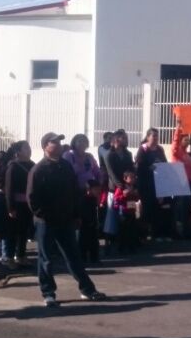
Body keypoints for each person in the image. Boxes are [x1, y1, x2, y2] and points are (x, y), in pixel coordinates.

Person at [28, 132, 107, 308]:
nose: (57, 145)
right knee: (46, 259)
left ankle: (87, 289)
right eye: (53, 142)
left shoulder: (65, 166)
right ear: (45, 146)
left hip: (66, 220)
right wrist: (44, 215)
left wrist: (76, 214)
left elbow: (73, 192)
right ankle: (48, 293)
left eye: (59, 142)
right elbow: (32, 198)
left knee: (73, 256)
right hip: (45, 222)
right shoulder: (38, 169)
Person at [63, 134, 104, 262]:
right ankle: (80, 255)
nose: (82, 144)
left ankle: (94, 255)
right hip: (77, 194)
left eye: (84, 141)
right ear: (74, 142)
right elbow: (67, 174)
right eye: (79, 141)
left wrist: (98, 184)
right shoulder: (68, 156)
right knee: (80, 225)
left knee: (92, 225)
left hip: (91, 195)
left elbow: (97, 172)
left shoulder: (89, 157)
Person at [2, 141, 36, 269]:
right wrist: (10, 207)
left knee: (24, 232)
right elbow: (9, 188)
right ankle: (9, 257)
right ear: (18, 152)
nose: (29, 150)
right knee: (12, 232)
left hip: (28, 204)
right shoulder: (13, 166)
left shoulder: (32, 165)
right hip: (16, 205)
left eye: (29, 147)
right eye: (26, 148)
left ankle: (21, 256)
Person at [134, 128, 169, 242]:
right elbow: (138, 166)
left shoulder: (160, 149)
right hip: (146, 184)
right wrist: (149, 168)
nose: (155, 138)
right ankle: (143, 234)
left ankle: (156, 234)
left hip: (158, 183)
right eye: (153, 136)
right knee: (147, 209)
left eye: (157, 136)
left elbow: (164, 163)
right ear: (148, 137)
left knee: (157, 209)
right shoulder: (143, 149)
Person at [102, 130, 135, 249]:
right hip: (115, 189)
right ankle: (109, 242)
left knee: (129, 214)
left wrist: (131, 186)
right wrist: (121, 187)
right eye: (123, 138)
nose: (126, 139)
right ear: (117, 139)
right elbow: (111, 173)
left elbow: (131, 169)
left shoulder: (128, 154)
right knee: (112, 215)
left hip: (128, 188)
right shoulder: (109, 154)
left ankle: (128, 240)